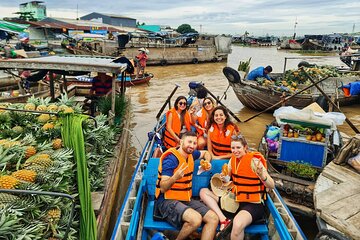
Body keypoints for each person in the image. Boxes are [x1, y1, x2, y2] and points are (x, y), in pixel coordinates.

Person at [200, 134, 275, 239]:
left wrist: (262, 175)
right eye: (233, 148)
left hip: (252, 205)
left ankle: (230, 226)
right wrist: (223, 177)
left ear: (245, 147)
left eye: (238, 147)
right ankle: (224, 220)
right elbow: (227, 180)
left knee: (238, 224)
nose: (235, 151)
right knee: (203, 192)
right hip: (234, 200)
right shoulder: (232, 160)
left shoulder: (254, 161)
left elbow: (271, 185)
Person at [155, 131, 219, 240]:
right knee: (196, 219)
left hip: (184, 198)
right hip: (166, 201)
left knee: (213, 218)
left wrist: (207, 161)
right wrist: (175, 177)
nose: (192, 145)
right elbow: (163, 187)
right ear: (181, 142)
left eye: (194, 143)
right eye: (189, 142)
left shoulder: (191, 154)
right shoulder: (171, 160)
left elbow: (205, 153)